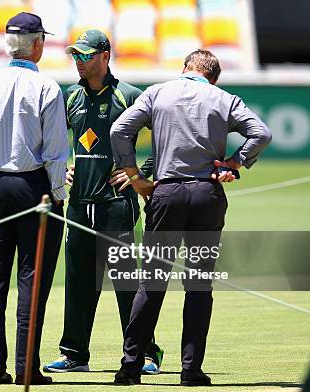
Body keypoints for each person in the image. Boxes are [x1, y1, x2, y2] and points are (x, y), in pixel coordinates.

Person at [110, 49, 272, 386]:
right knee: (199, 285)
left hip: (166, 194)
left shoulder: (157, 92)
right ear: (213, 77)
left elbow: (119, 131)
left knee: (151, 282)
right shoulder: (224, 98)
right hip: (206, 195)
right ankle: (190, 369)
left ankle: (130, 366)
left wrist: (135, 175)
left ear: (185, 68)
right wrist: (235, 163)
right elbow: (262, 133)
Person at [42, 29, 164, 376]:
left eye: (86, 56)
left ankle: (145, 353)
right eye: (75, 56)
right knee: (79, 281)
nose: (79, 62)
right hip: (80, 204)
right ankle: (74, 354)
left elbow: (164, 132)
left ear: (105, 56)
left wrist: (140, 173)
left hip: (116, 204)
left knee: (126, 283)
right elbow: (50, 138)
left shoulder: (129, 96)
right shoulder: (69, 96)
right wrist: (59, 166)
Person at [0, 12, 69, 386]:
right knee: (32, 280)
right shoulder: (48, 88)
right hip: (35, 188)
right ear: (38, 44)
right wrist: (58, 197)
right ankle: (27, 367)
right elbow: (56, 154)